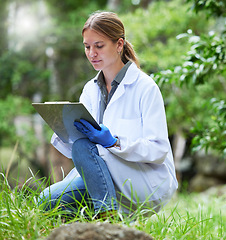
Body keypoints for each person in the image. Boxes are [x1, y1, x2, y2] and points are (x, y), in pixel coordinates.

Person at [38, 11, 178, 219]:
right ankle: (100, 221)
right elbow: (77, 152)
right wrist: (64, 128)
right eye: (87, 47)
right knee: (46, 200)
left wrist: (113, 142)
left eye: (99, 46)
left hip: (141, 177)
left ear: (119, 45)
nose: (92, 53)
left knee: (83, 146)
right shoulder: (90, 90)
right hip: (100, 174)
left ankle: (108, 219)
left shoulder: (145, 88)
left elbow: (158, 150)